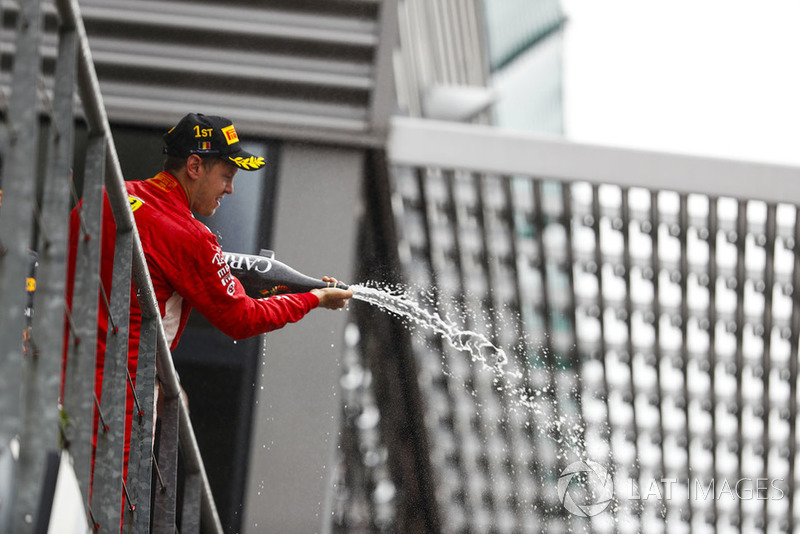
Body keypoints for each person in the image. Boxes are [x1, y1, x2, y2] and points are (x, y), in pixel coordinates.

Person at [64, 112, 353, 516]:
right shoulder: (189, 236)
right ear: (195, 166)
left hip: (56, 378)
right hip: (116, 407)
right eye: (227, 174)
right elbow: (242, 318)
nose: (231, 189)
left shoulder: (104, 195)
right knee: (97, 518)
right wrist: (315, 299)